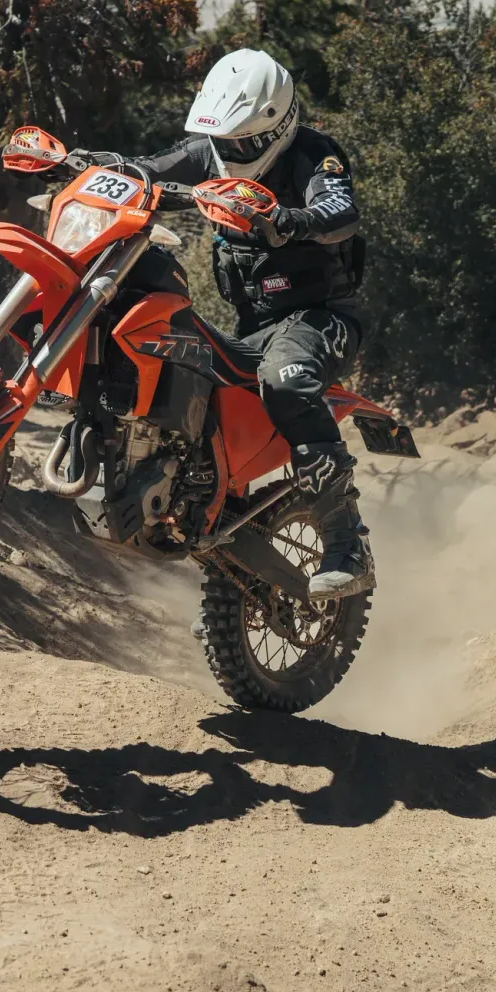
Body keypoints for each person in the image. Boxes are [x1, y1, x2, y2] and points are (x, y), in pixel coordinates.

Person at [135, 49, 372, 600]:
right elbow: (147, 168)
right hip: (254, 325)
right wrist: (92, 166)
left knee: (285, 377)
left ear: (278, 124)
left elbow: (341, 211)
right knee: (177, 358)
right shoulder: (210, 151)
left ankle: (346, 543)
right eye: (225, 142)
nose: (232, 153)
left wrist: (295, 220)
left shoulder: (314, 154)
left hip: (322, 318)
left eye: (244, 142)